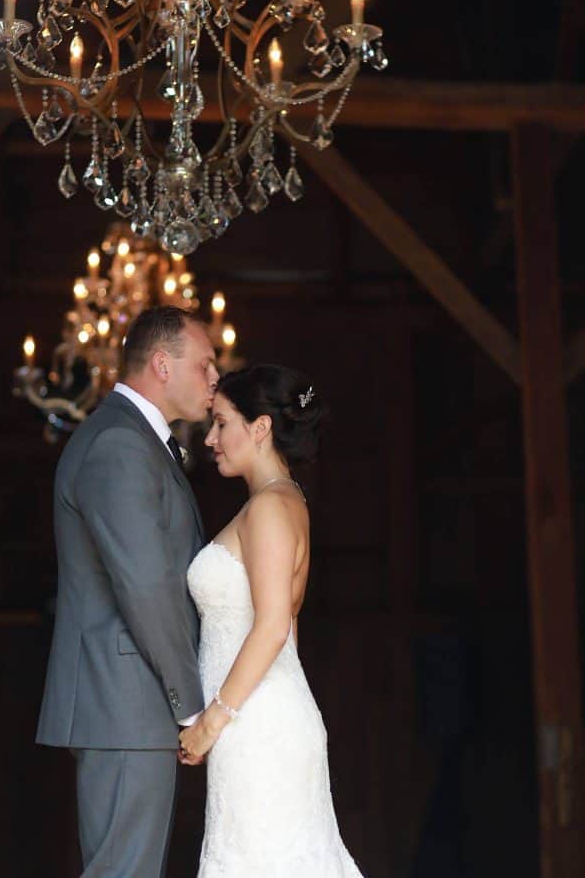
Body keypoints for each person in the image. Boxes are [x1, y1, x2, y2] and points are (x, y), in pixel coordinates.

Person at [36, 305, 219, 878]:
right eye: (206, 365)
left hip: (128, 705)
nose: (216, 379)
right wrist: (191, 706)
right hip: (124, 703)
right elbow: (145, 585)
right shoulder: (119, 443)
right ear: (163, 365)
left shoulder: (134, 438)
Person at [180, 364, 365, 877]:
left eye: (221, 423)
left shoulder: (270, 508)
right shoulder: (280, 503)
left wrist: (211, 722)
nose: (211, 438)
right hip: (259, 716)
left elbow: (273, 626)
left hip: (252, 721)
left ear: (260, 428)